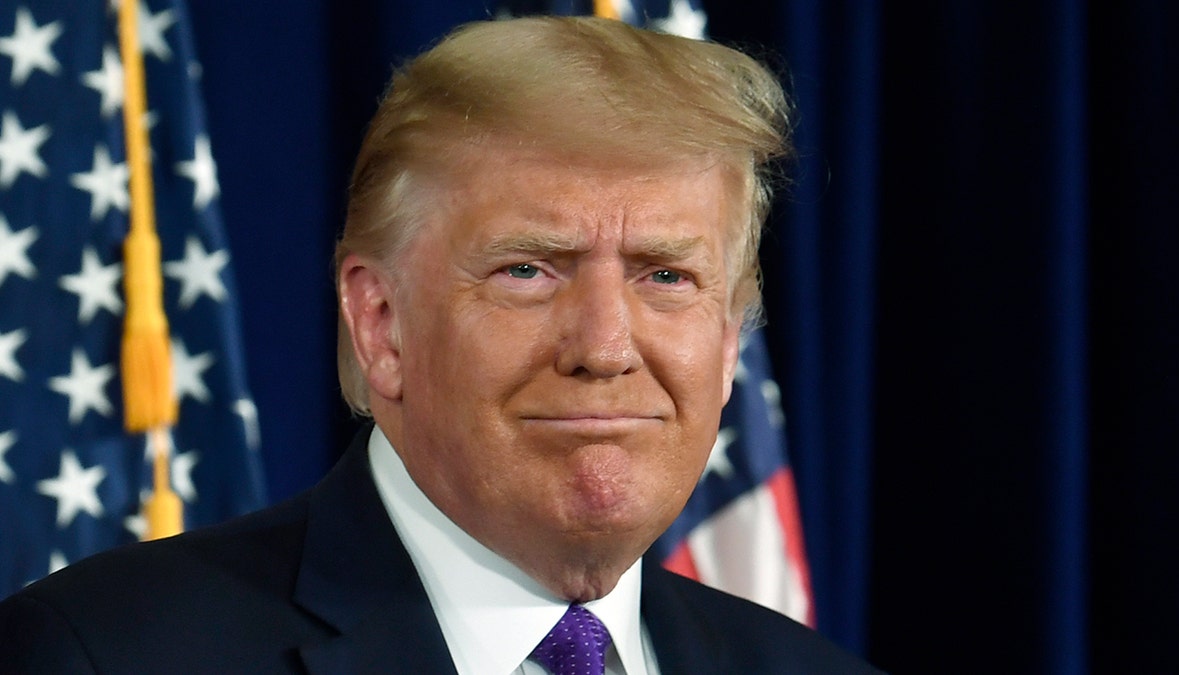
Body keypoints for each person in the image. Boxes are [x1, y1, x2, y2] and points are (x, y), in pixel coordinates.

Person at [0, 15, 881, 674]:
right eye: (529, 270)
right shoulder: (104, 654)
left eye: (666, 276)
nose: (606, 346)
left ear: (729, 342)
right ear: (379, 323)